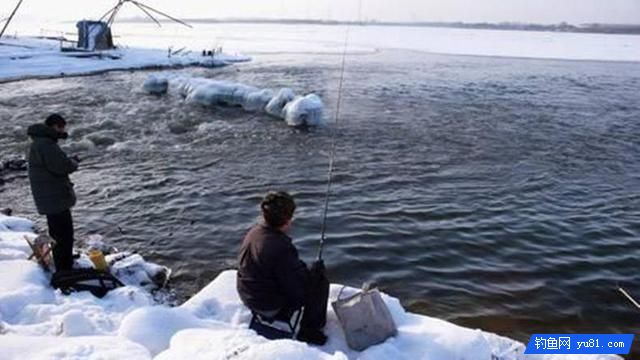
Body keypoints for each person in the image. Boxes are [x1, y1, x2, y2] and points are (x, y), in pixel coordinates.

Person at [237, 191, 329, 345]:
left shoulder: (254, 232)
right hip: (266, 304)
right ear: (288, 220)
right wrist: (314, 274)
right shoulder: (281, 247)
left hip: (247, 295)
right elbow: (295, 288)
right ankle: (310, 331)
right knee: (319, 283)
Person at [27, 114, 79, 272]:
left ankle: (63, 260)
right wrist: (73, 163)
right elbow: (61, 167)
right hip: (55, 197)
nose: (63, 131)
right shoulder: (46, 144)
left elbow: (52, 164)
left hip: (48, 196)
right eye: (61, 127)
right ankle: (65, 268)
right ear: (54, 126)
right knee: (64, 234)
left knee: (57, 232)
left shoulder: (38, 142)